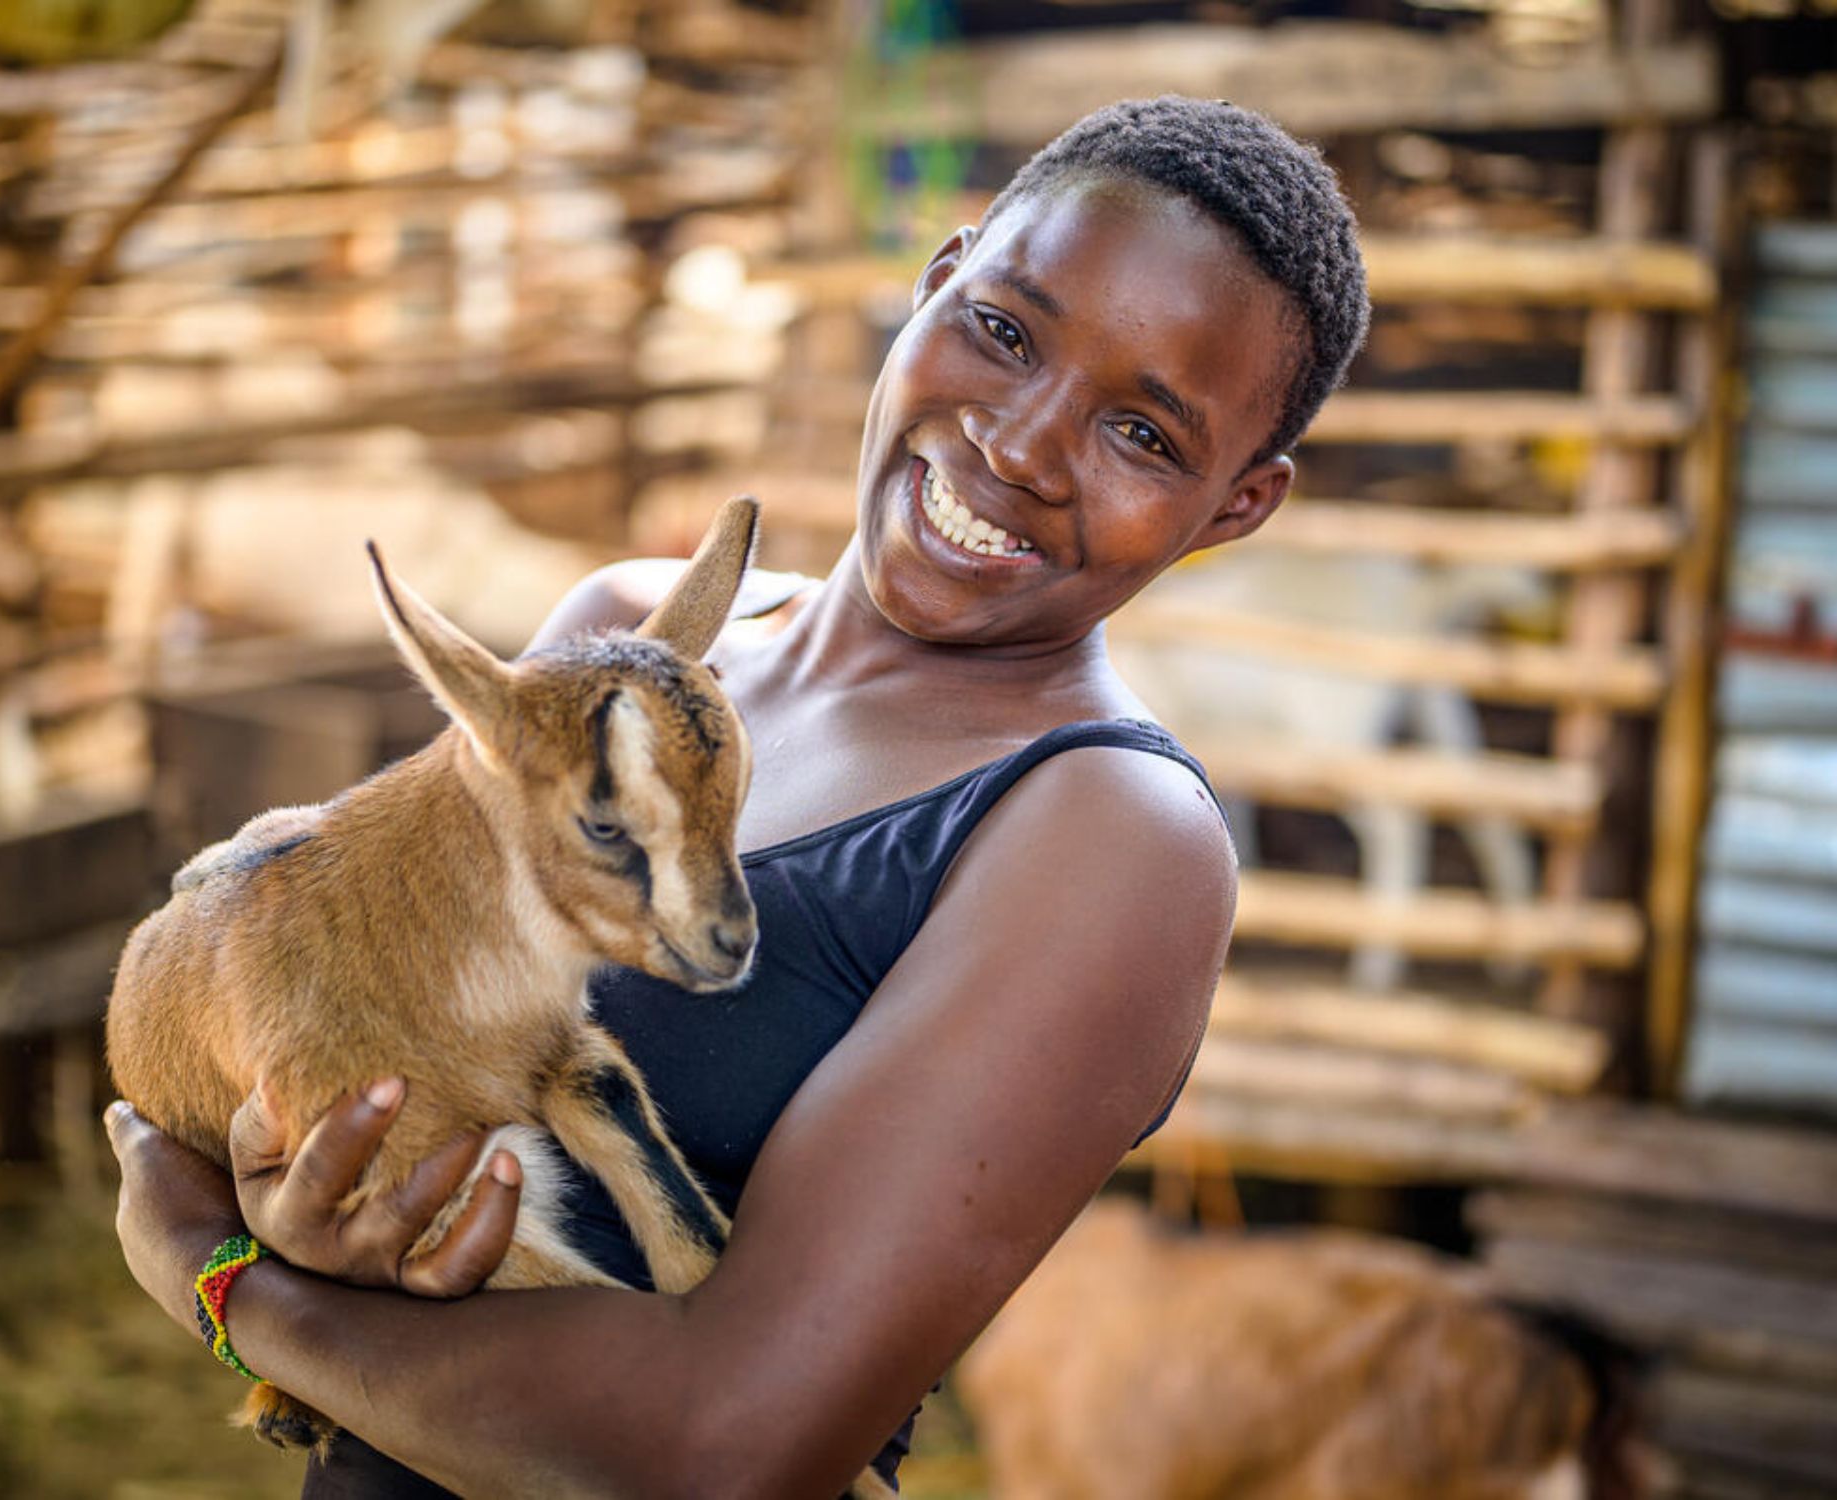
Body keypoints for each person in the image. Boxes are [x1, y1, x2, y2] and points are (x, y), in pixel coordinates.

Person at [104, 95, 1371, 1498]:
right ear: (938, 278)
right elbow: (342, 1061)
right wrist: (309, 1225)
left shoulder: (1103, 839)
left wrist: (222, 1286)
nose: (1019, 445)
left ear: (1238, 505)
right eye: (1005, 332)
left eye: (1142, 434)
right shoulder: (617, 640)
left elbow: (728, 1448)